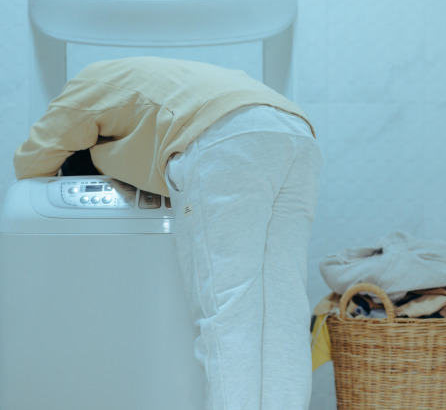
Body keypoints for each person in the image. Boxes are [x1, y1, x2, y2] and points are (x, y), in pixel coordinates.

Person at [14, 56, 322, 410]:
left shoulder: (85, 84)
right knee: (283, 309)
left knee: (228, 312)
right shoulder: (152, 83)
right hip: (294, 132)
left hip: (223, 140)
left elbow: (31, 162)